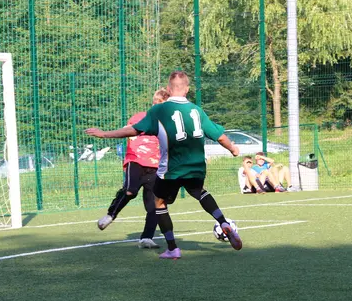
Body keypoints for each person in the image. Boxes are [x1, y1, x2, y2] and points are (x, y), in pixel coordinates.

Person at [86, 70, 242, 259]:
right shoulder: (196, 111)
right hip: (196, 166)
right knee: (200, 192)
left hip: (171, 169)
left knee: (158, 202)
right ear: (187, 89)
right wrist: (233, 149)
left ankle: (172, 248)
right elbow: (220, 136)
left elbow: (133, 130)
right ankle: (223, 221)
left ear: (169, 89)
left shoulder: (159, 110)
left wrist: (104, 133)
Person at [97, 88, 170, 249]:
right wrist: (105, 134)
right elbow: (127, 130)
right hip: (135, 161)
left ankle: (146, 238)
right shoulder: (140, 117)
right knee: (130, 190)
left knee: (155, 204)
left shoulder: (167, 123)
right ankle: (111, 214)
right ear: (154, 104)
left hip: (155, 167)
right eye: (158, 105)